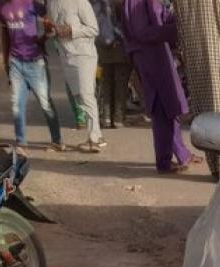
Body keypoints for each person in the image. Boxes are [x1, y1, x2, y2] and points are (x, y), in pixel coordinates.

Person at [172, 0, 220, 178]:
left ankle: (215, 167)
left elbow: (180, 33)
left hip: (196, 66)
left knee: (206, 115)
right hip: (218, 64)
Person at [121, 0, 196, 173]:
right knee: (161, 106)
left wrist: (181, 19)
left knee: (170, 104)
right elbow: (142, 32)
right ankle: (164, 161)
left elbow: (161, 16)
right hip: (149, 55)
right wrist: (175, 30)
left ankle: (181, 153)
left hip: (158, 53)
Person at [0, 0, 65, 154]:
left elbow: (50, 24)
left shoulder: (32, 4)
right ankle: (21, 143)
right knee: (17, 105)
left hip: (36, 62)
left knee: (46, 104)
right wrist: (5, 62)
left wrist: (44, 38)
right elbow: (5, 34)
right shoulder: (0, 6)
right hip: (15, 63)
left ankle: (57, 141)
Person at [46, 0, 104, 152]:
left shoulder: (80, 2)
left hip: (84, 55)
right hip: (66, 57)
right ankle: (95, 136)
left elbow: (93, 29)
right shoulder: (51, 3)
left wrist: (72, 30)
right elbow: (53, 30)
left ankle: (95, 138)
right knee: (78, 97)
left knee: (86, 95)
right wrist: (51, 31)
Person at [93, 0, 131, 129]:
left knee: (106, 83)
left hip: (102, 46)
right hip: (119, 45)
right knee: (120, 84)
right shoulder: (121, 3)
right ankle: (119, 118)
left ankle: (106, 118)